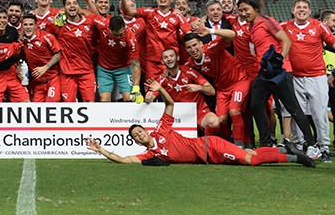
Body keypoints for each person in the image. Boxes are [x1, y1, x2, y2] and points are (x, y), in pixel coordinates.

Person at [85, 78, 315, 168]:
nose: (139, 136)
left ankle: (295, 157)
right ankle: (286, 149)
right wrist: (100, 149)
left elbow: (170, 106)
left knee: (251, 160)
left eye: (139, 131)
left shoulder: (161, 130)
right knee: (251, 154)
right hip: (210, 157)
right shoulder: (151, 155)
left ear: (145, 130)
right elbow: (123, 159)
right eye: (135, 137)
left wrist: (161, 88)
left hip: (211, 146)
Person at [237, 0, 321, 159]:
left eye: (246, 9)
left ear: (255, 8)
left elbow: (286, 41)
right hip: (265, 73)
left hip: (280, 71)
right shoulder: (251, 27)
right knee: (255, 105)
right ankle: (267, 143)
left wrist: (279, 60)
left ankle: (312, 144)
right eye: (240, 10)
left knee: (292, 107)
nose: (243, 13)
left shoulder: (266, 21)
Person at [281, 0, 335, 163]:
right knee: (298, 113)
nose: (301, 9)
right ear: (293, 10)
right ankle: (299, 145)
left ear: (310, 11)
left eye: (305, 7)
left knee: (320, 114)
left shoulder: (319, 26)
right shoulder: (285, 26)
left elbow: (332, 43)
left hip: (317, 76)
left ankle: (324, 148)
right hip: (295, 77)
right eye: (298, 7)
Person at [183, 32, 252, 148]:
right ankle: (225, 146)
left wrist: (211, 31)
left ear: (201, 44)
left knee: (234, 111)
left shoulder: (212, 48)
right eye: (189, 47)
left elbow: (231, 35)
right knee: (221, 120)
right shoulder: (191, 63)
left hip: (239, 81)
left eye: (195, 45)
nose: (193, 49)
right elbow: (181, 69)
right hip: (222, 89)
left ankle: (239, 147)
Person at [118, 0, 191, 80]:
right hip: (152, 63)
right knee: (151, 92)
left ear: (171, 0)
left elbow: (189, 34)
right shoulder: (149, 13)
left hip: (170, 62)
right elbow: (128, 13)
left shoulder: (177, 16)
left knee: (171, 92)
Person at [155, 48, 220, 135]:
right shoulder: (162, 78)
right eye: (166, 57)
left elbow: (212, 91)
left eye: (171, 56)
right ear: (162, 62)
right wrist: (149, 96)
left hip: (198, 112)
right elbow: (151, 95)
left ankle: (207, 146)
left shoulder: (189, 72)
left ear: (177, 58)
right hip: (178, 116)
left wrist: (199, 87)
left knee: (214, 121)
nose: (169, 59)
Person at [47, 0, 96, 102]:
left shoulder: (89, 23)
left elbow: (97, 17)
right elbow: (42, 35)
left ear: (78, 6)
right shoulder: (58, 26)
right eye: (68, 4)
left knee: (90, 104)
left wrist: (88, 0)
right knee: (69, 105)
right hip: (67, 73)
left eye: (74, 3)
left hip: (86, 71)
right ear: (64, 8)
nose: (72, 6)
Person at [89, 15, 141, 103]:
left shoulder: (130, 38)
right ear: (109, 28)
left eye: (121, 34)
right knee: (104, 100)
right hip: (104, 69)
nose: (118, 37)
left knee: (129, 98)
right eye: (115, 35)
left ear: (124, 27)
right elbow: (86, 14)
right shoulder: (102, 24)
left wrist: (136, 88)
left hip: (123, 69)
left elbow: (136, 64)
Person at [20, 14, 61, 103]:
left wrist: (45, 67)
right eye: (25, 24)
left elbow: (58, 54)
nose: (28, 27)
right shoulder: (22, 40)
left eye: (31, 24)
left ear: (36, 25)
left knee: (50, 106)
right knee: (37, 109)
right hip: (38, 83)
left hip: (53, 79)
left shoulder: (47, 37)